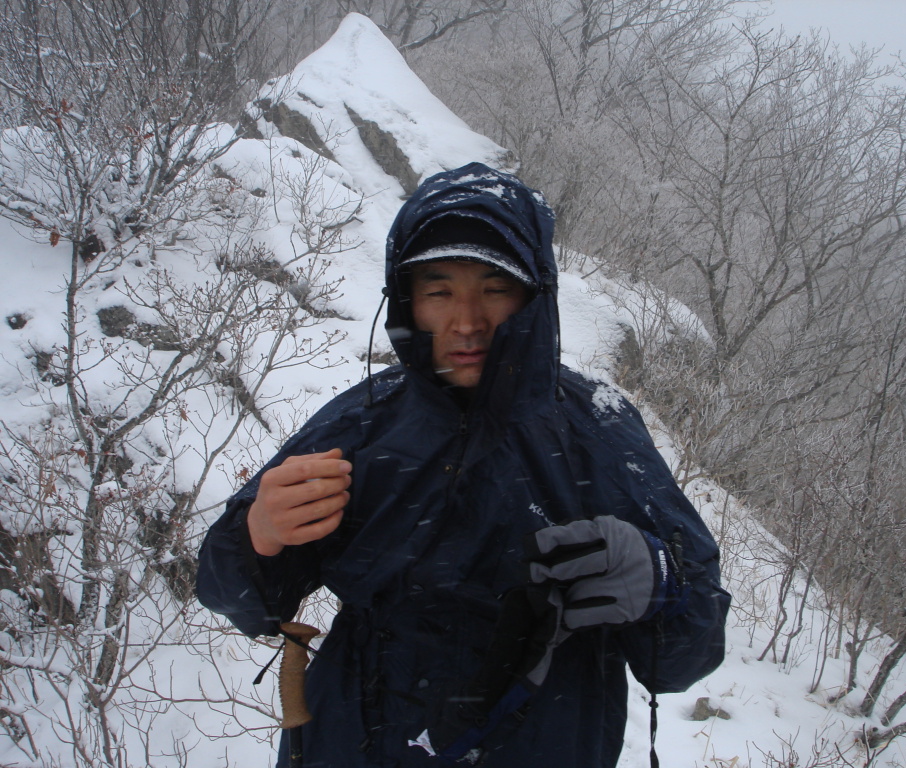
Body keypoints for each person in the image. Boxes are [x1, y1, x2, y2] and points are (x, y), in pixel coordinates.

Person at [196, 163, 730, 768]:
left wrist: (661, 582)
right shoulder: (362, 425)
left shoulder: (597, 434)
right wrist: (257, 536)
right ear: (407, 301)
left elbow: (688, 656)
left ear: (535, 295)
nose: (467, 320)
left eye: (496, 289)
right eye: (439, 289)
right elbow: (236, 598)